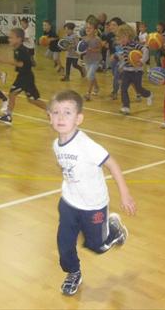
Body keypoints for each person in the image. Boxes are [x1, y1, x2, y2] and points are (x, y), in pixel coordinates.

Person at [48, 90, 135, 296]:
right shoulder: (56, 144)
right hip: (69, 203)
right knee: (64, 243)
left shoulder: (86, 145)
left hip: (93, 205)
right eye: (56, 112)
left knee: (96, 246)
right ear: (49, 117)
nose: (60, 117)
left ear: (79, 119)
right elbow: (65, 167)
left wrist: (125, 194)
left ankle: (114, 230)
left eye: (67, 113)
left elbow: (112, 164)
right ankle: (73, 272)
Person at [0, 28, 47, 125]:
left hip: (25, 77)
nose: (9, 39)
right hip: (25, 76)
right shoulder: (17, 49)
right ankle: (51, 111)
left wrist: (6, 60)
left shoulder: (21, 50)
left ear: (19, 39)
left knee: (12, 94)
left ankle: (8, 116)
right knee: (32, 100)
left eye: (11, 38)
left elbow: (22, 64)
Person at [116, 23, 152, 115]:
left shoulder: (134, 44)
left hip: (137, 71)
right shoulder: (123, 46)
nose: (121, 39)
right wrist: (121, 66)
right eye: (120, 38)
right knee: (123, 88)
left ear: (129, 36)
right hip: (126, 71)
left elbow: (146, 50)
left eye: (123, 37)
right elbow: (125, 58)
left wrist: (142, 61)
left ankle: (148, 94)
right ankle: (126, 107)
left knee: (139, 88)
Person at [83, 20, 102, 101]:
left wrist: (92, 50)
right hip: (87, 60)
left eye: (90, 28)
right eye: (87, 28)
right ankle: (97, 87)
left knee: (89, 76)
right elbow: (81, 49)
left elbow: (100, 49)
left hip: (95, 60)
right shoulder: (83, 39)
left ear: (95, 30)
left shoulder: (97, 39)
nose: (88, 29)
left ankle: (88, 93)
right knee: (91, 76)